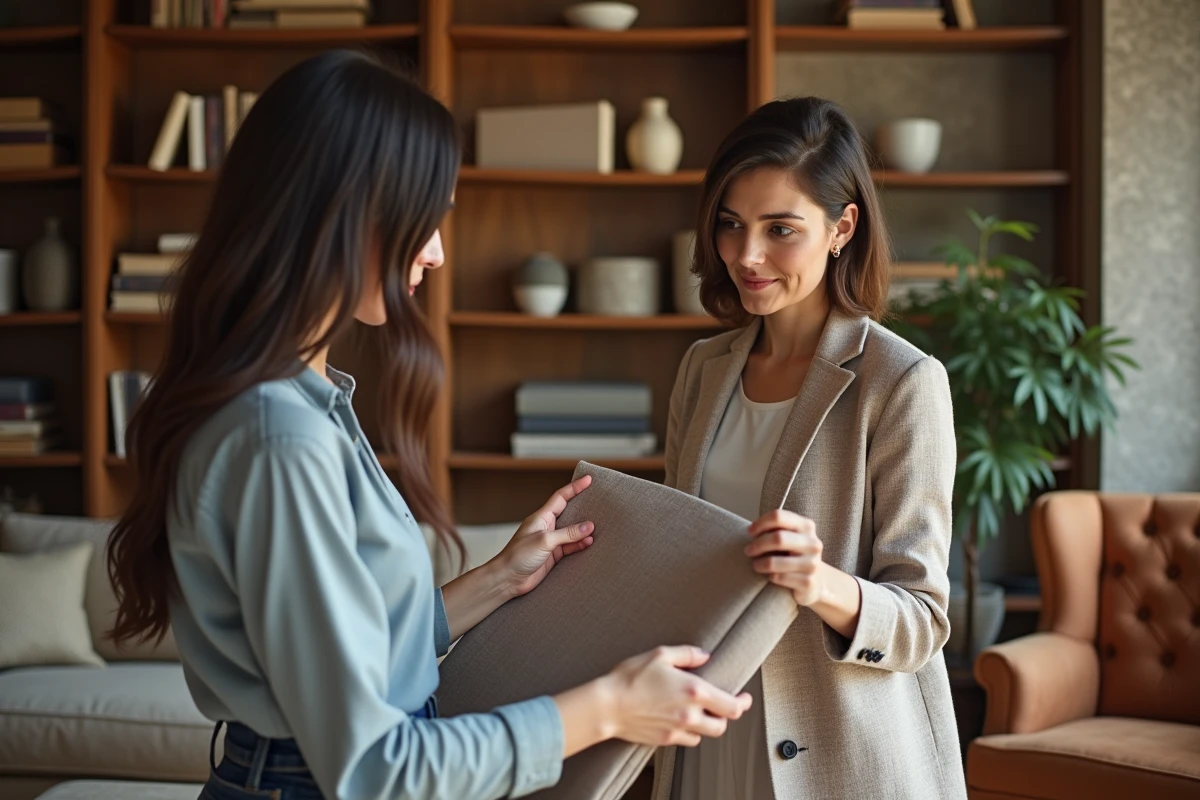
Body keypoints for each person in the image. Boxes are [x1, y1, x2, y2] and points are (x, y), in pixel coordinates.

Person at [105, 49, 751, 800]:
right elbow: (376, 764)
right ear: (343, 213)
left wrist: (495, 582)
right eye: (428, 217)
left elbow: (348, 651)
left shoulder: (303, 401)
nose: (440, 251)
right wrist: (612, 707)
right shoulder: (278, 439)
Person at [658, 96, 968, 800]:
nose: (746, 255)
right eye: (731, 225)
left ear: (842, 228)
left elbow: (923, 620)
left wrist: (819, 583)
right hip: (709, 728)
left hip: (841, 753)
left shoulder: (903, 381)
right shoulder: (703, 370)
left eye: (780, 229)